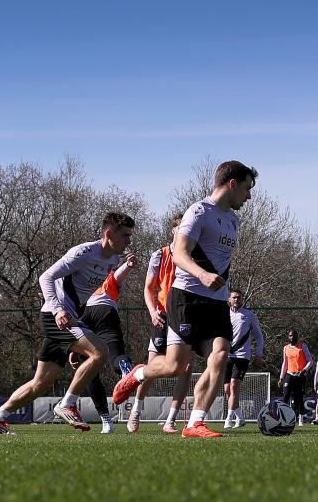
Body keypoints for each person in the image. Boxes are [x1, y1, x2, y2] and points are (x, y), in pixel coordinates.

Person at [112, 161, 257, 440]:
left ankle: (195, 423)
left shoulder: (233, 220)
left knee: (221, 354)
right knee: (175, 366)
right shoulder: (199, 212)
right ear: (232, 184)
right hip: (187, 298)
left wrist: (216, 285)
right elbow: (178, 254)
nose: (248, 196)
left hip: (215, 302)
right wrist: (203, 275)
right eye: (247, 188)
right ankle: (139, 374)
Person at [0, 212, 134, 434]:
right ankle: (67, 404)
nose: (129, 241)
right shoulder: (83, 253)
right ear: (109, 234)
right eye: (125, 236)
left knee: (40, 382)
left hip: (70, 321)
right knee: (100, 353)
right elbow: (46, 277)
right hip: (56, 318)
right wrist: (57, 310)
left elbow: (86, 294)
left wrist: (77, 338)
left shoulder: (113, 258)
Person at [58, 251, 137, 433]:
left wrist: (74, 348)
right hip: (104, 310)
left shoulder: (81, 278)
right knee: (115, 354)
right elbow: (117, 276)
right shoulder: (106, 275)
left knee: (89, 368)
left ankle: (106, 419)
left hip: (82, 316)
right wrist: (128, 266)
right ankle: (125, 368)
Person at [128, 213, 191, 434]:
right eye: (180, 226)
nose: (184, 229)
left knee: (186, 368)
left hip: (184, 315)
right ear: (173, 229)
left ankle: (170, 420)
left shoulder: (193, 253)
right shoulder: (160, 254)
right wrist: (153, 311)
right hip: (163, 315)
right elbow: (148, 288)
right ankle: (136, 409)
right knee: (153, 367)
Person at [223, 288, 264, 429]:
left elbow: (259, 336)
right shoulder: (223, 315)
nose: (236, 300)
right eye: (234, 297)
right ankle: (240, 417)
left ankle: (228, 420)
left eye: (239, 297)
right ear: (229, 299)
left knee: (234, 385)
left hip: (242, 356)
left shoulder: (249, 315)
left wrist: (259, 353)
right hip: (226, 356)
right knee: (228, 389)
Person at [280, 329, 313, 426]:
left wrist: (304, 370)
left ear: (297, 336)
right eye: (290, 335)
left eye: (293, 335)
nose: (292, 337)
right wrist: (281, 377)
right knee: (285, 396)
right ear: (288, 337)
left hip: (300, 375)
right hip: (289, 374)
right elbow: (285, 362)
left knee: (299, 398)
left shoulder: (303, 346)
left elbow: (310, 361)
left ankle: (301, 419)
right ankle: (283, 418)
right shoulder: (286, 348)